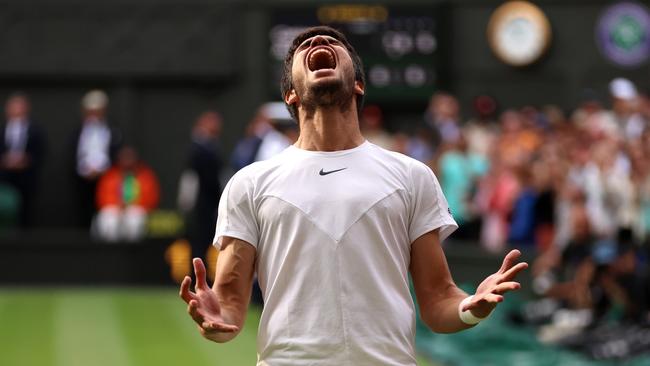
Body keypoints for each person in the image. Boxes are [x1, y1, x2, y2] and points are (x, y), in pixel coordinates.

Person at [179, 26, 527, 365]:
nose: (317, 40)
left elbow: (438, 301)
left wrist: (471, 308)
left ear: (358, 84)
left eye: (332, 41)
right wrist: (215, 322)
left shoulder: (412, 176)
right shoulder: (250, 183)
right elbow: (229, 307)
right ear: (291, 95)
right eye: (303, 47)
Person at [178, 110, 224, 261]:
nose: (217, 125)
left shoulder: (211, 146)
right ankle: (197, 278)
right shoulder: (198, 148)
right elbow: (191, 179)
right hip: (201, 204)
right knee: (199, 242)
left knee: (207, 241)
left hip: (211, 203)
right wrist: (187, 202)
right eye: (212, 122)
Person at [71, 90, 121, 228]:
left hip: (107, 177)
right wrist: (85, 169)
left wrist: (102, 170)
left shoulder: (112, 130)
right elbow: (74, 153)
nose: (94, 114)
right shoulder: (78, 131)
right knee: (84, 209)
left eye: (97, 110)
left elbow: (114, 152)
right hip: (82, 177)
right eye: (90, 111)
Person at [95, 146, 159, 242]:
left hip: (136, 209)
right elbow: (102, 197)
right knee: (109, 219)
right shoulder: (110, 175)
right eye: (124, 158)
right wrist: (117, 205)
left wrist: (131, 205)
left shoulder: (145, 175)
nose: (127, 161)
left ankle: (132, 252)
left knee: (134, 219)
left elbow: (151, 198)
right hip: (115, 208)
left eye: (130, 158)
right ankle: (111, 251)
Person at [0, 93, 44, 227]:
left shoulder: (36, 131)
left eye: (20, 108)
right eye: (13, 107)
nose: (17, 111)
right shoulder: (2, 130)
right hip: (4, 177)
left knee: (26, 210)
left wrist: (26, 160)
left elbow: (40, 152)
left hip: (26, 178)